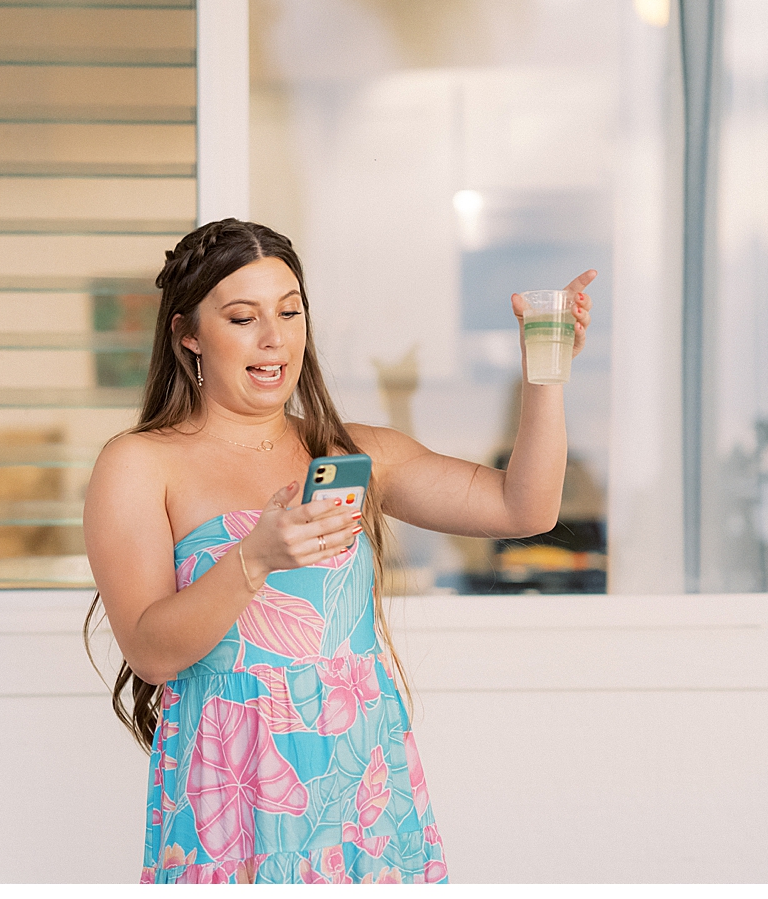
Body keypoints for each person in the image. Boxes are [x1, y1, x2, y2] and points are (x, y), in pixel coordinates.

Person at [83, 218, 594, 884]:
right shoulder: (139, 464)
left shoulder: (352, 453)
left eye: (289, 312)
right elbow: (150, 650)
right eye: (243, 317)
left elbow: (524, 507)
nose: (275, 339)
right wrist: (255, 557)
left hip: (360, 800)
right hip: (232, 806)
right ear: (188, 334)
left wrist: (544, 372)